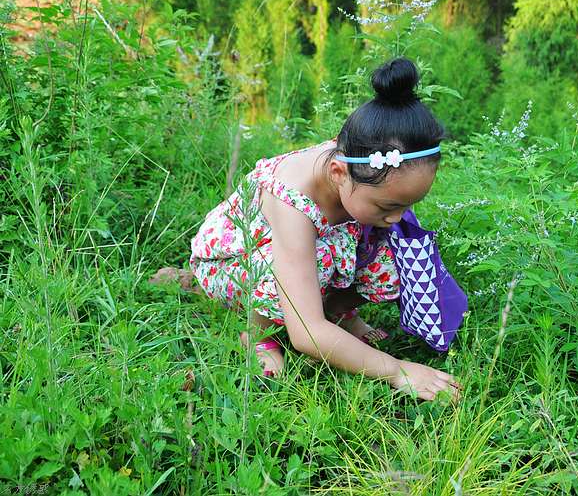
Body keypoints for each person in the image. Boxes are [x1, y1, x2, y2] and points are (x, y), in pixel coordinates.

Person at [151, 57, 461, 403]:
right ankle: (258, 333)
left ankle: (337, 314)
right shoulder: (292, 201)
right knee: (318, 261)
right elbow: (306, 333)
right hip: (236, 261)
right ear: (339, 173)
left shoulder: (360, 159)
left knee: (395, 257)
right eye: (387, 206)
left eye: (407, 204)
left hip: (311, 253)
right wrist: (397, 370)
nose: (397, 217)